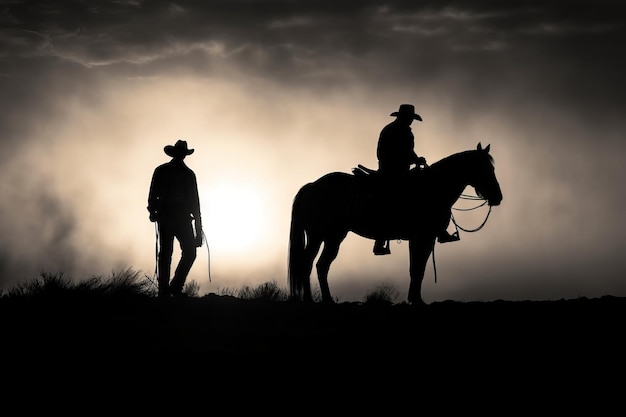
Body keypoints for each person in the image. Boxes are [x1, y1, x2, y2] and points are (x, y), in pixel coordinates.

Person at [373, 104, 459, 256]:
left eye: (411, 119)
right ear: (403, 117)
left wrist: (416, 159)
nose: (411, 121)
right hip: (391, 171)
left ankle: (437, 228)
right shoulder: (393, 130)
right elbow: (389, 152)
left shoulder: (403, 130)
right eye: (409, 118)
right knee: (393, 197)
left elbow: (407, 151)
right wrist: (409, 160)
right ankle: (381, 238)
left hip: (401, 169)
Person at [147, 139, 203, 297]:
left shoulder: (182, 173)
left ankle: (173, 286)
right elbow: (153, 193)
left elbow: (195, 203)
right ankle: (167, 289)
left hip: (178, 217)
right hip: (170, 215)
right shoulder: (167, 171)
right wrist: (153, 210)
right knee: (168, 252)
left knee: (184, 252)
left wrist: (198, 230)